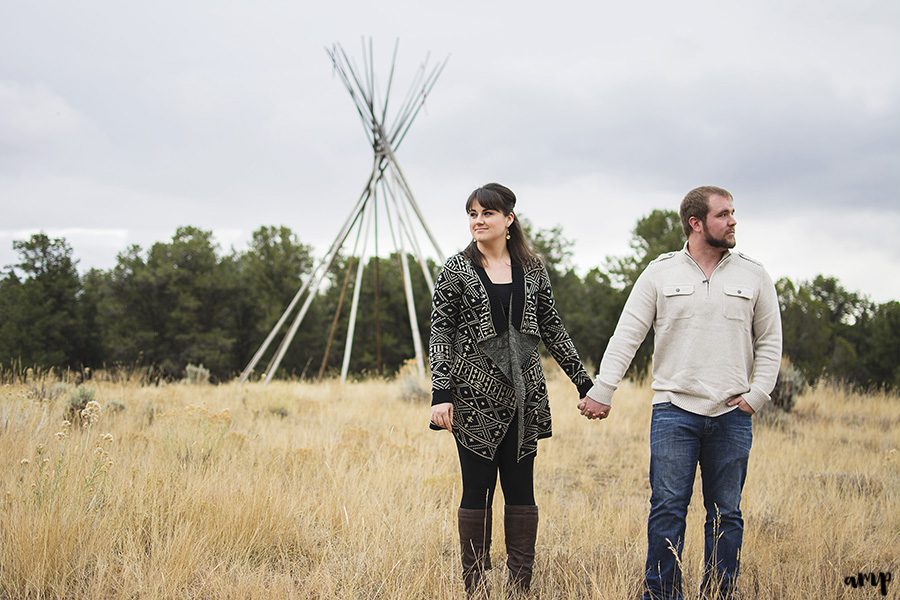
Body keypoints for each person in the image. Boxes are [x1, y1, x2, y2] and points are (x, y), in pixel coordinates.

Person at [578, 186, 782, 600]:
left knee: (727, 513)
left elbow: (771, 342)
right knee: (668, 508)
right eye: (723, 214)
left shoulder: (754, 274)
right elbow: (627, 336)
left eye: (733, 213)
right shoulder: (660, 273)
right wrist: (603, 390)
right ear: (696, 223)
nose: (732, 221)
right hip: (674, 410)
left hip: (732, 414)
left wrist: (756, 396)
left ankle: (720, 592)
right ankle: (660, 594)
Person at [430, 183, 594, 598]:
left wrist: (583, 381)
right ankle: (477, 587)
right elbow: (441, 332)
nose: (478, 221)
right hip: (472, 400)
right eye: (472, 214)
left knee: (521, 490)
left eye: (486, 213)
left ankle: (521, 585)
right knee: (477, 489)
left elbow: (552, 326)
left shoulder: (533, 268)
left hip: (525, 399)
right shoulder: (456, 269)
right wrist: (441, 393)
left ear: (509, 219)